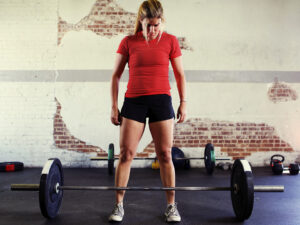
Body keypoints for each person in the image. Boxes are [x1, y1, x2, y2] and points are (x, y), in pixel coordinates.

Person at [109, 0, 187, 222]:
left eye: (156, 24)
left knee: (165, 154)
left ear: (162, 21)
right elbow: (115, 75)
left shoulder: (171, 41)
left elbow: (180, 74)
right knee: (126, 155)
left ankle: (171, 206)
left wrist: (184, 102)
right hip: (134, 102)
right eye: (148, 25)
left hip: (162, 101)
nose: (152, 30)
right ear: (140, 21)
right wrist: (114, 106)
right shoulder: (128, 42)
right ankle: (118, 205)